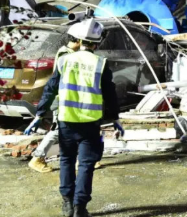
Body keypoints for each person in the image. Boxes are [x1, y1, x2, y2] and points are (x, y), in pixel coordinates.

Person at [25, 18, 123, 217]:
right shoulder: (101, 64)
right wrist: (115, 119)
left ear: (79, 40)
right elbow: (110, 94)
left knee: (67, 161)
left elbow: (50, 89)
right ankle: (80, 208)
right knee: (86, 165)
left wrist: (39, 114)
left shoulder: (64, 61)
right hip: (90, 123)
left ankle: (67, 204)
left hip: (66, 121)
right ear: (97, 43)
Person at [28, 39, 81, 173]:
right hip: (63, 101)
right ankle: (37, 158)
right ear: (79, 40)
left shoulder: (67, 53)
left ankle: (81, 160)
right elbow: (55, 83)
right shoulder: (66, 55)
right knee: (57, 131)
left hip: (67, 100)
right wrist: (40, 114)